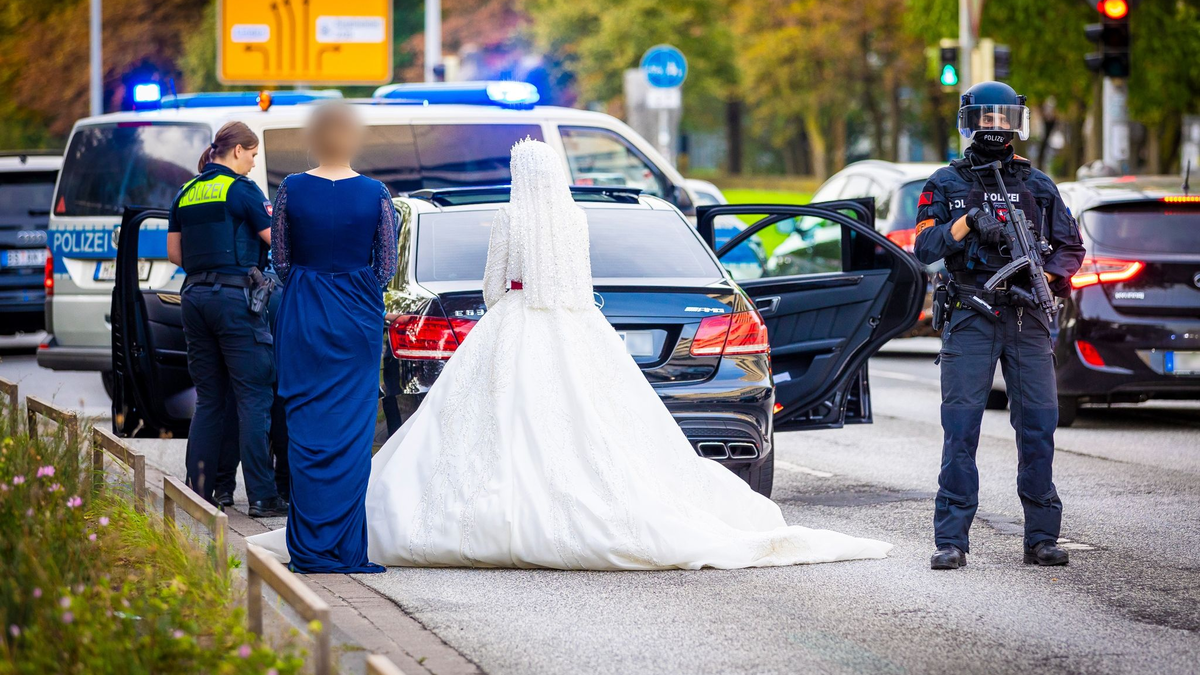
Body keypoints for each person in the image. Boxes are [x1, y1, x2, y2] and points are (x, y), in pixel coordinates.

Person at [250, 139, 891, 570]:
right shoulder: (577, 222)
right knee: (595, 430)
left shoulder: (507, 221)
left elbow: (494, 287)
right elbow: (578, 286)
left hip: (511, 328)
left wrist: (512, 299)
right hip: (576, 328)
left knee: (489, 432)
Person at [913, 82, 1086, 570]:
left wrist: (1044, 277)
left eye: (1003, 118)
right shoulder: (945, 183)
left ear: (1016, 122)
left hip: (1027, 316)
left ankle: (1042, 538)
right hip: (971, 312)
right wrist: (968, 222)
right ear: (970, 123)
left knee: (1038, 426)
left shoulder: (1038, 185)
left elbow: (1071, 248)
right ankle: (950, 541)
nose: (995, 126)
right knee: (961, 427)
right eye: (986, 119)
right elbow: (925, 249)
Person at [262, 101, 394, 573]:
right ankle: (343, 549)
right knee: (353, 432)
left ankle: (311, 549)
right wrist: (353, 290)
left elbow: (280, 261)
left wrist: (311, 283)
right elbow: (386, 268)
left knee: (304, 426)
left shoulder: (290, 190)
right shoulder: (377, 193)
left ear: (313, 138)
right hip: (357, 317)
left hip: (305, 313)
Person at [167, 121, 286, 517]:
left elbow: (174, 254)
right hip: (236, 300)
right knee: (254, 396)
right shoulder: (242, 190)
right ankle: (262, 497)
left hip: (194, 298)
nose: (253, 163)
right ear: (237, 151)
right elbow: (277, 243)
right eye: (252, 155)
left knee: (210, 398)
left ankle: (201, 491)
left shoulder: (186, 192)